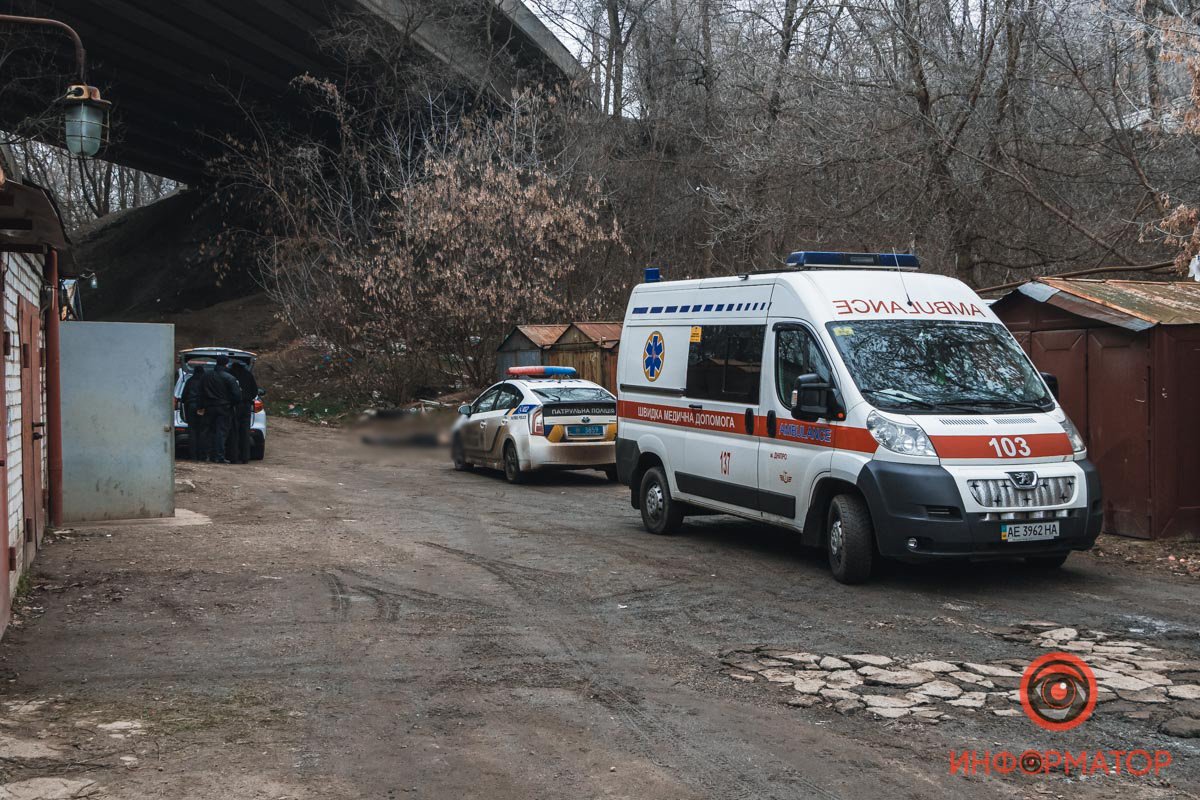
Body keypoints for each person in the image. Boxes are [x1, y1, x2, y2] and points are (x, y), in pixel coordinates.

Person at [200, 355, 241, 464]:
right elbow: (237, 396)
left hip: (209, 407)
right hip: (224, 408)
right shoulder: (229, 377)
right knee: (221, 432)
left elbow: (200, 392)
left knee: (207, 431)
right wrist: (231, 404)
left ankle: (205, 455)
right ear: (226, 364)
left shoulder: (206, 376)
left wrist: (201, 406)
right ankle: (219, 456)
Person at [226, 360, 259, 464]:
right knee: (245, 432)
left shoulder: (230, 375)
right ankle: (245, 457)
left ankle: (233, 457)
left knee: (234, 432)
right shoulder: (248, 375)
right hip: (246, 406)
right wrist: (248, 399)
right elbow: (255, 391)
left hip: (235, 406)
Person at [182, 364, 209, 462]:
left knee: (192, 431)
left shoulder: (189, 381)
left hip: (191, 406)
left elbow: (183, 397)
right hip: (202, 408)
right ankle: (203, 455)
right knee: (203, 431)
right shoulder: (206, 382)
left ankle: (193, 456)